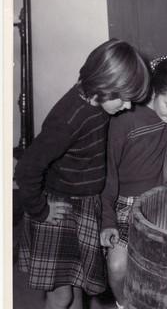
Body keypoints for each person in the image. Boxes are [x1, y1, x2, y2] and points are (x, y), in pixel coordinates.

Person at [15, 38, 150, 309]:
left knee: (79, 288)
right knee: (62, 295)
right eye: (123, 99)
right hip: (58, 210)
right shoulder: (70, 117)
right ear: (103, 85)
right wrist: (40, 210)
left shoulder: (97, 104)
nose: (127, 107)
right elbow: (27, 167)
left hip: (84, 204)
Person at [100, 56, 167, 309]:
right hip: (124, 203)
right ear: (154, 90)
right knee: (117, 266)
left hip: (163, 200)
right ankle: (124, 305)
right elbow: (108, 174)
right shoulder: (124, 119)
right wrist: (107, 221)